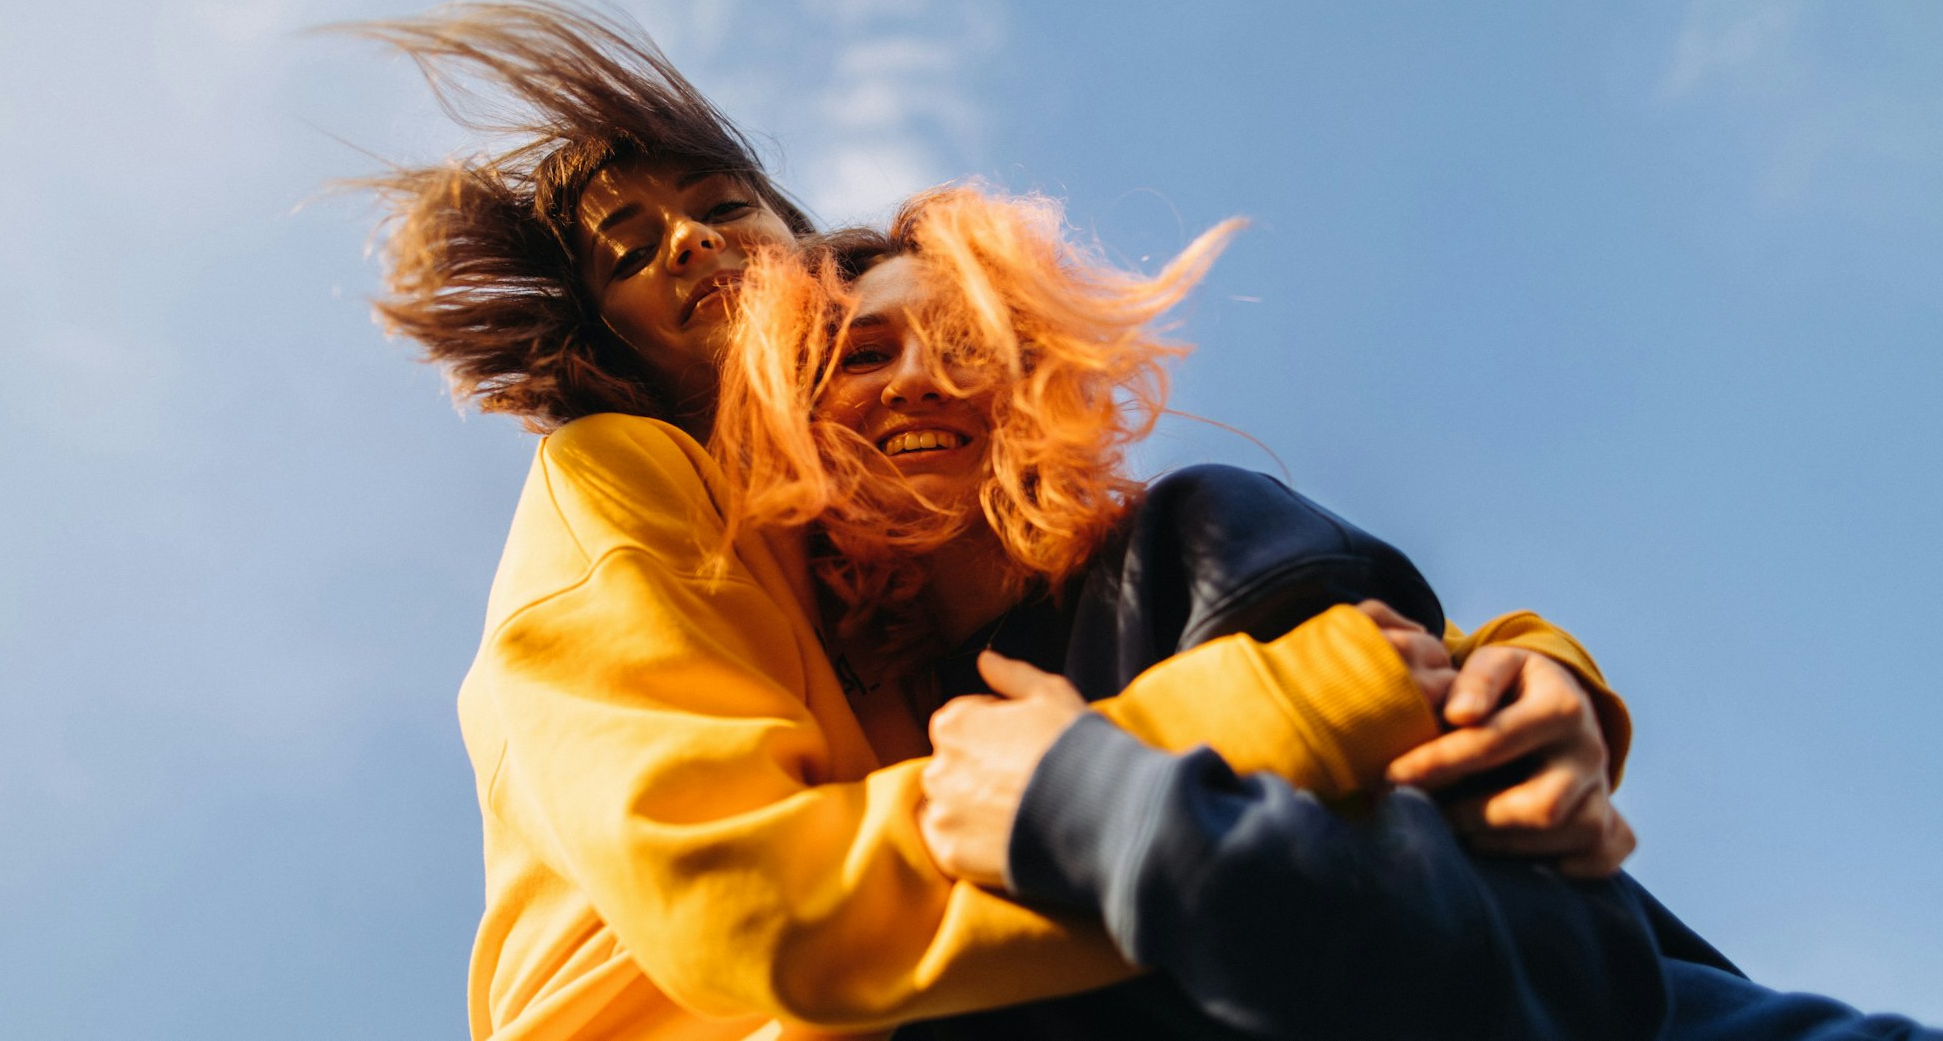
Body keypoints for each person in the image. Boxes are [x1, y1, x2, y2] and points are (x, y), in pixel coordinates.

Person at [350, 0, 1640, 1041]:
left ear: (801, 252)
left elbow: (1391, 649)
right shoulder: (624, 481)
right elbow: (748, 898)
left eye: (719, 205)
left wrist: (1534, 674)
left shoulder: (894, 585)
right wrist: (1288, 712)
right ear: (600, 339)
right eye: (626, 250)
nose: (685, 242)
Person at [714, 184, 1942, 1041]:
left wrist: (1099, 812)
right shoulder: (862, 746)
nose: (922, 375)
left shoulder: (1188, 541)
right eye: (863, 354)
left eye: (967, 343)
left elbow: (1541, 966)